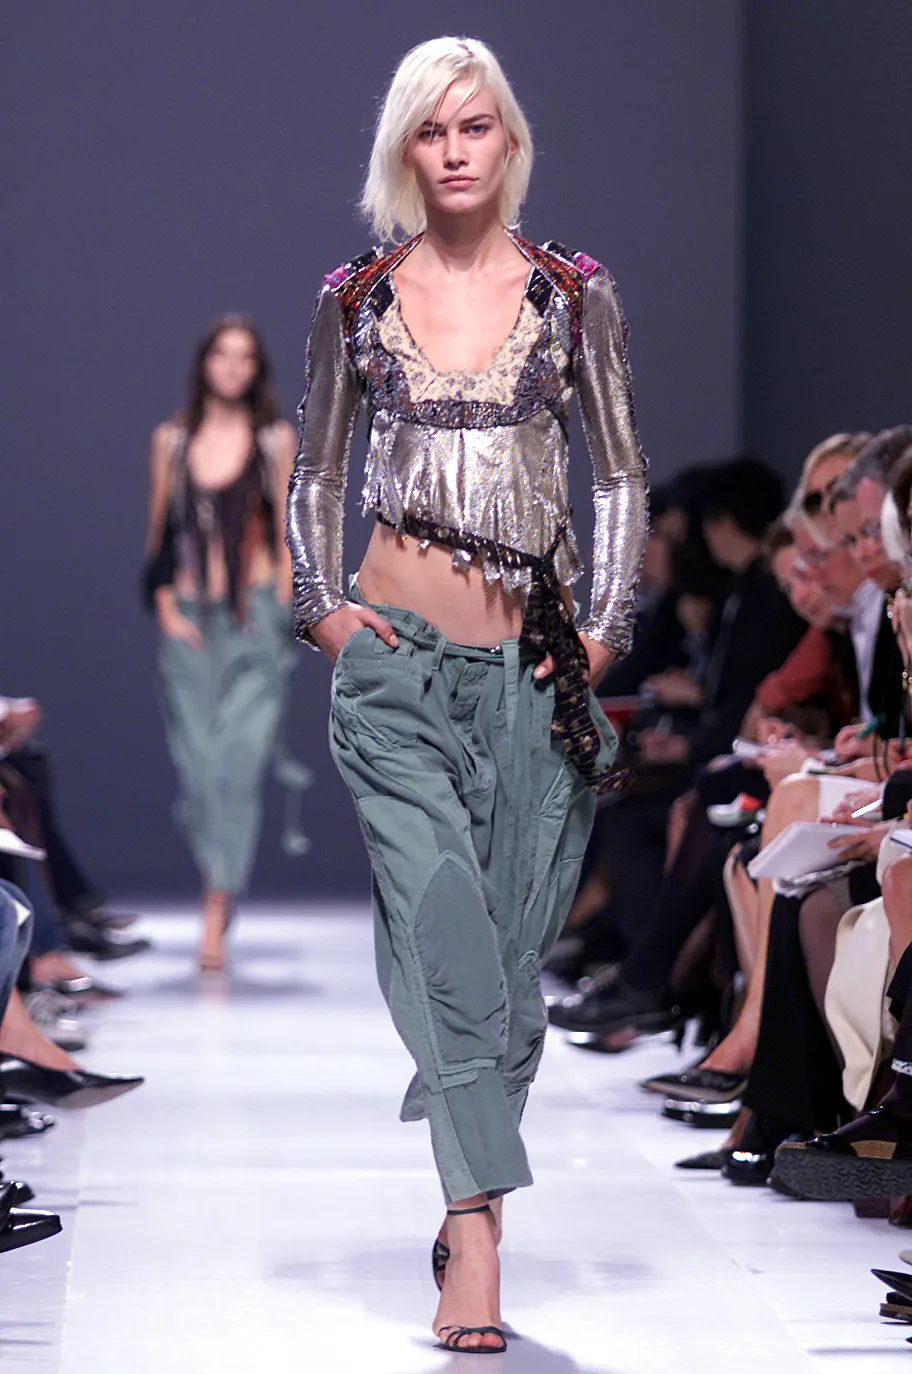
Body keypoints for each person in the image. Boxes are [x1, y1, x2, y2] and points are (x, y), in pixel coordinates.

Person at [286, 36, 647, 1354]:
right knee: (440, 922)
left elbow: (617, 473)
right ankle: (477, 1233)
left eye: (475, 126)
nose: (454, 149)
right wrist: (324, 609)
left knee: (506, 960)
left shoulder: (571, 297)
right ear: (404, 147)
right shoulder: (354, 300)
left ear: (508, 141)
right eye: (431, 129)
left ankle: (467, 1201)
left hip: (535, 674)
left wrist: (602, 634)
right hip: (395, 673)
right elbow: (318, 473)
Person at [144, 316, 298, 972]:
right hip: (190, 620)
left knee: (238, 766)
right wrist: (164, 607)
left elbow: (288, 532)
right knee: (199, 773)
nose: (232, 366)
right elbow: (160, 529)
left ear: (256, 368)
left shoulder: (273, 439)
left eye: (245, 356)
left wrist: (283, 608)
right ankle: (221, 878)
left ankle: (215, 904)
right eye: (222, 354)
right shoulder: (172, 440)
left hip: (253, 619)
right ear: (204, 363)